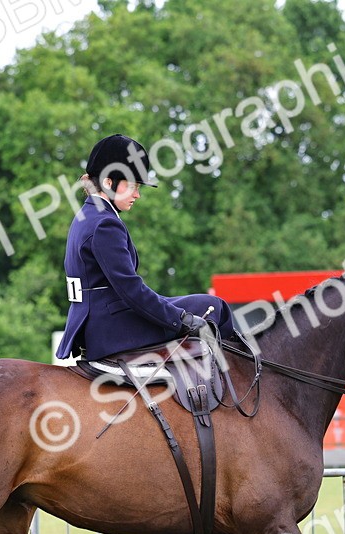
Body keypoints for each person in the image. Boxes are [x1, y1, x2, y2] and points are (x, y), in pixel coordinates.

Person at [55, 134, 237, 363]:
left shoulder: (87, 215)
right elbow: (131, 290)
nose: (137, 195)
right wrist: (181, 320)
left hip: (97, 320)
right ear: (108, 182)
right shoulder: (105, 223)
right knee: (213, 305)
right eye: (132, 186)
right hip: (110, 328)